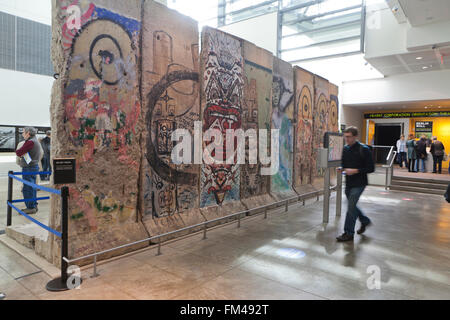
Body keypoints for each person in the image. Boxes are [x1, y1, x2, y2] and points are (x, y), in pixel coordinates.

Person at [336, 126, 375, 242]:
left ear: (355, 137)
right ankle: (365, 221)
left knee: (351, 207)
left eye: (349, 137)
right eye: (345, 137)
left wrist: (355, 170)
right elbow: (343, 163)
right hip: (349, 183)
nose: (346, 139)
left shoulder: (364, 149)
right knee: (353, 207)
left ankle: (348, 233)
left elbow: (371, 168)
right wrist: (341, 168)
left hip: (360, 183)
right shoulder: (346, 149)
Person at [15, 127, 43, 215]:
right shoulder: (35, 141)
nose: (22, 134)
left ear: (28, 133)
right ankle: (33, 205)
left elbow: (18, 152)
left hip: (29, 168)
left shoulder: (30, 142)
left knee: (28, 188)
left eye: (23, 132)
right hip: (33, 167)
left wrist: (20, 152)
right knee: (32, 187)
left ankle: (30, 207)